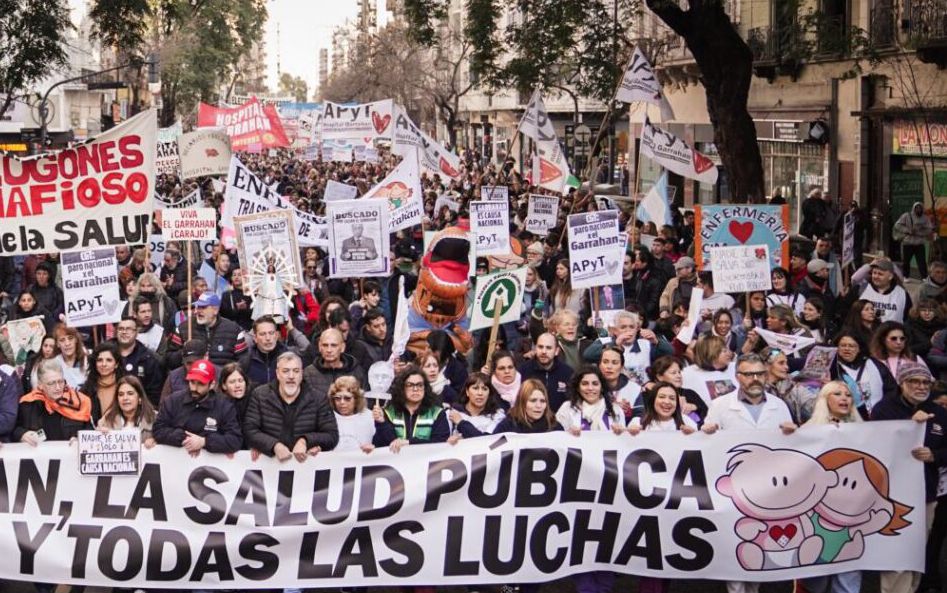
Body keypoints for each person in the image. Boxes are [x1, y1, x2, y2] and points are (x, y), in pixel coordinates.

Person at [702, 353, 797, 593]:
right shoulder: (721, 406)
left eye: (760, 374)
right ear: (737, 377)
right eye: (748, 374)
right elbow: (707, 449)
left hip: (769, 493)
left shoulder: (779, 406)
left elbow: (789, 452)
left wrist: (794, 434)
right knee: (735, 551)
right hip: (733, 493)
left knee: (758, 551)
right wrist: (707, 433)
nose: (755, 379)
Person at [871, 362, 947, 593]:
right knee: (897, 552)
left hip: (927, 492)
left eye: (925, 382)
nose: (921, 386)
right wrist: (910, 424)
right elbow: (875, 445)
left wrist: (934, 455)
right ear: (902, 383)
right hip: (893, 494)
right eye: (914, 381)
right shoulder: (884, 409)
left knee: (917, 550)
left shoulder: (940, 413)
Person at [244, 351, 339, 463]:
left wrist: (305, 441)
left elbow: (331, 435)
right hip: (269, 468)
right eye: (285, 371)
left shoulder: (319, 398)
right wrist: (274, 445)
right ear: (277, 374)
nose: (291, 376)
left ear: (301, 374)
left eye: (296, 371)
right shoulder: (260, 395)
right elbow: (249, 430)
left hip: (304, 469)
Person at [153, 359, 243, 456]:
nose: (194, 388)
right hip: (175, 462)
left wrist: (204, 442)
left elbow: (235, 440)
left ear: (212, 384)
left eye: (201, 384)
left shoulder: (224, 406)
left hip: (212, 466)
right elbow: (158, 430)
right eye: (192, 382)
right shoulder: (173, 401)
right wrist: (184, 437)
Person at [372, 364, 450, 451]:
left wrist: (409, 442)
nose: (415, 389)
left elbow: (441, 443)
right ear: (402, 388)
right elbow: (380, 446)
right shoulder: (389, 412)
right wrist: (382, 423)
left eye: (420, 385)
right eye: (410, 385)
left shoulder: (437, 413)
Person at [15, 359, 93, 443]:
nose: (58, 387)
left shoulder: (79, 402)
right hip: (40, 454)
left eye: (60, 381)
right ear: (40, 385)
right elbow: (15, 429)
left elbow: (89, 430)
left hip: (70, 454)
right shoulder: (28, 403)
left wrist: (79, 439)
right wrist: (22, 434)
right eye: (51, 383)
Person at [167, 291, 248, 368]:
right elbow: (170, 360)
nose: (197, 311)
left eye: (203, 307)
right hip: (193, 379)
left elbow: (243, 361)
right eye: (197, 307)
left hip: (222, 380)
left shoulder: (234, 330)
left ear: (215, 310)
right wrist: (184, 351)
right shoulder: (183, 328)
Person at [830, 330, 890, 417]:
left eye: (851, 346)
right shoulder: (832, 367)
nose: (847, 349)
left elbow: (891, 389)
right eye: (843, 345)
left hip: (878, 416)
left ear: (859, 349)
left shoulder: (874, 364)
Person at [240, 315, 311, 388]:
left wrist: (291, 328)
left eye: (271, 333)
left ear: (276, 335)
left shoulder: (287, 354)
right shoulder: (247, 359)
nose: (268, 338)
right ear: (255, 338)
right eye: (262, 334)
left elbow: (307, 348)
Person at [555, 365, 626, 434]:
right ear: (577, 387)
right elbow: (557, 437)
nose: (590, 388)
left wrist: (620, 434)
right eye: (585, 384)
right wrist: (568, 434)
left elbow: (622, 441)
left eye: (595, 384)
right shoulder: (567, 408)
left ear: (602, 387)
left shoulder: (615, 410)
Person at [303, 328, 369, 400]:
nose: (329, 350)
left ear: (342, 347)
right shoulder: (308, 373)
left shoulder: (357, 372)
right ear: (319, 347)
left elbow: (365, 401)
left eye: (333, 345)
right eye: (325, 345)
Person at [114, 316, 166, 406]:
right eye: (121, 329)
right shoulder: (107, 353)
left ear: (136, 332)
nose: (124, 332)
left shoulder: (148, 359)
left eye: (129, 329)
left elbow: (154, 392)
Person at [518, 332, 573, 412]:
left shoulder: (567, 373)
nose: (544, 351)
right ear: (535, 348)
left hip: (560, 421)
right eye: (540, 347)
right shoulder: (523, 371)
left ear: (556, 351)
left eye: (548, 348)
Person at [97, 376, 157, 449]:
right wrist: (98, 436)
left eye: (130, 393)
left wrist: (156, 441)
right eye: (121, 394)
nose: (125, 398)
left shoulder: (156, 418)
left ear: (140, 398)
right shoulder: (107, 420)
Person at [682, 335, 737, 405]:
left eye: (727, 349)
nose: (729, 353)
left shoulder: (735, 367)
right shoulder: (689, 373)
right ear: (711, 353)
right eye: (724, 351)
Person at [628, 380, 698, 435]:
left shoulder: (686, 421)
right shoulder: (638, 422)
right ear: (652, 400)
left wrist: (692, 436)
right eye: (662, 397)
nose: (667, 402)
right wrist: (631, 434)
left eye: (672, 398)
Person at [448, 372, 506, 437]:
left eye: (484, 389)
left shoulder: (497, 416)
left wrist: (461, 423)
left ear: (489, 393)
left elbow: (486, 441)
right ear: (467, 391)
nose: (480, 393)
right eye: (475, 388)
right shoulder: (453, 412)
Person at [494, 379, 560, 433]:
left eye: (542, 401)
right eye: (533, 401)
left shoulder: (554, 426)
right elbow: (493, 446)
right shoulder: (507, 427)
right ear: (522, 402)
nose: (539, 406)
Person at [329, 375, 375, 452]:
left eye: (347, 398)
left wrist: (374, 447)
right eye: (337, 398)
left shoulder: (369, 416)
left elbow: (383, 444)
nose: (342, 402)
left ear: (356, 399)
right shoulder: (326, 418)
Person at [83, 342, 125, 424]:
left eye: (109, 360)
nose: (104, 364)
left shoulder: (126, 386)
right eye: (99, 360)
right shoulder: (86, 390)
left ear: (116, 364)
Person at [894, 201, 935, 279]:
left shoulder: (925, 218)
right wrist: (908, 230)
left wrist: (920, 232)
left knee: (922, 261)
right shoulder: (907, 216)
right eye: (917, 208)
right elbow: (897, 225)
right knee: (906, 261)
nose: (919, 210)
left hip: (919, 243)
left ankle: (924, 277)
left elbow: (929, 229)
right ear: (914, 208)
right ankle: (906, 276)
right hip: (908, 242)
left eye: (920, 208)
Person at [52, 324, 89, 389]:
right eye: (62, 340)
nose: (67, 343)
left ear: (76, 340)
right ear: (57, 344)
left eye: (70, 338)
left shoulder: (88, 359)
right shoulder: (54, 363)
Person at [218, 363, 252, 428]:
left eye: (240, 381)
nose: (237, 385)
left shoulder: (254, 401)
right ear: (224, 386)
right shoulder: (219, 405)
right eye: (232, 382)